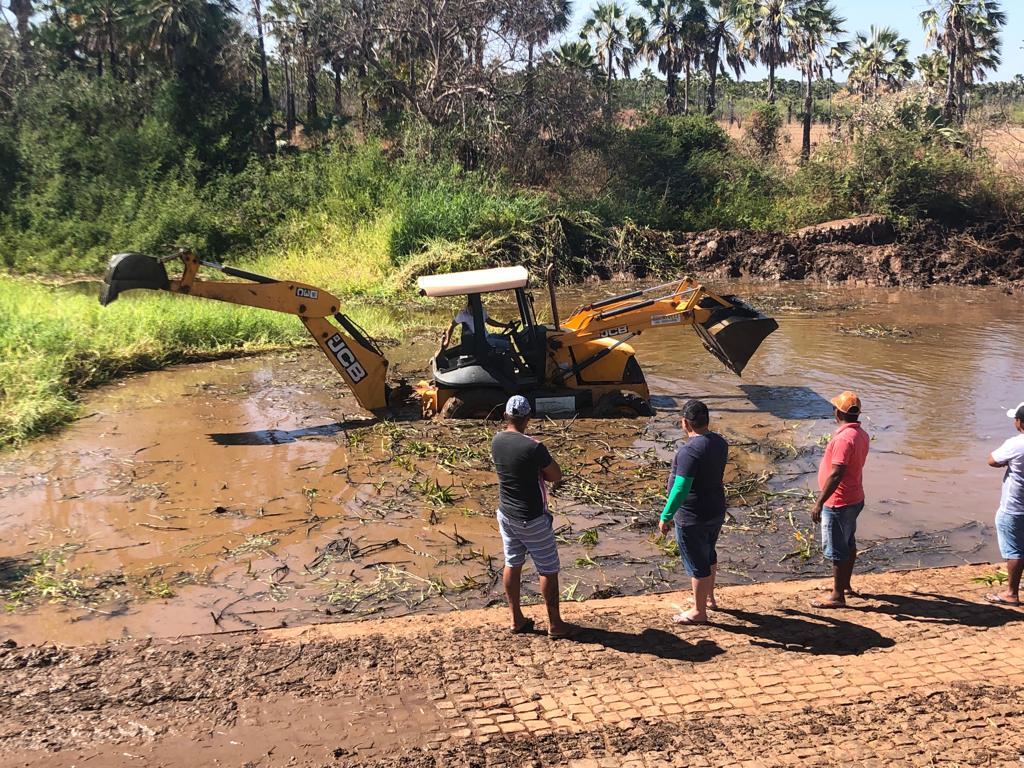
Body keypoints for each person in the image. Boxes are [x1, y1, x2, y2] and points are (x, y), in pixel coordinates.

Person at [491, 395, 577, 638]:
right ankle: (555, 624)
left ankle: (516, 618)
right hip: (532, 517)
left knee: (512, 562)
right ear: (528, 418)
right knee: (548, 569)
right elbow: (555, 475)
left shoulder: (497, 441)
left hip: (506, 514)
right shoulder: (534, 446)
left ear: (506, 416)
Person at [658, 399, 728, 625]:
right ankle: (709, 598)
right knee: (709, 553)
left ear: (685, 423)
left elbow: (681, 488)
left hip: (692, 514)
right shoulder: (719, 442)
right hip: (715, 509)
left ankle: (699, 612)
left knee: (697, 561)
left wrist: (666, 515)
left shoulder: (689, 451)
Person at [811, 391, 870, 609]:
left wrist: (819, 502)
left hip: (839, 501)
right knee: (848, 542)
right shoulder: (860, 434)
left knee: (837, 548)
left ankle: (837, 595)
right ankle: (844, 585)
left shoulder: (844, 439)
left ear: (837, 413)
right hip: (855, 497)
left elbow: (837, 473)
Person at [985, 401, 1024, 606]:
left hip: (1016, 506)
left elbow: (992, 460)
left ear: (1020, 422)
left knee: (1015, 550)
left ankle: (1011, 593)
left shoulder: (1017, 444)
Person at [443, 300, 514, 351]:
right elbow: (451, 326)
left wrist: (506, 326)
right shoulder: (463, 315)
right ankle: (522, 368)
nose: (474, 311)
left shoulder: (481, 310)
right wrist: (447, 341)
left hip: (488, 336)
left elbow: (490, 321)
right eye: (471, 309)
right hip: (483, 341)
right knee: (510, 345)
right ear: (469, 307)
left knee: (507, 337)